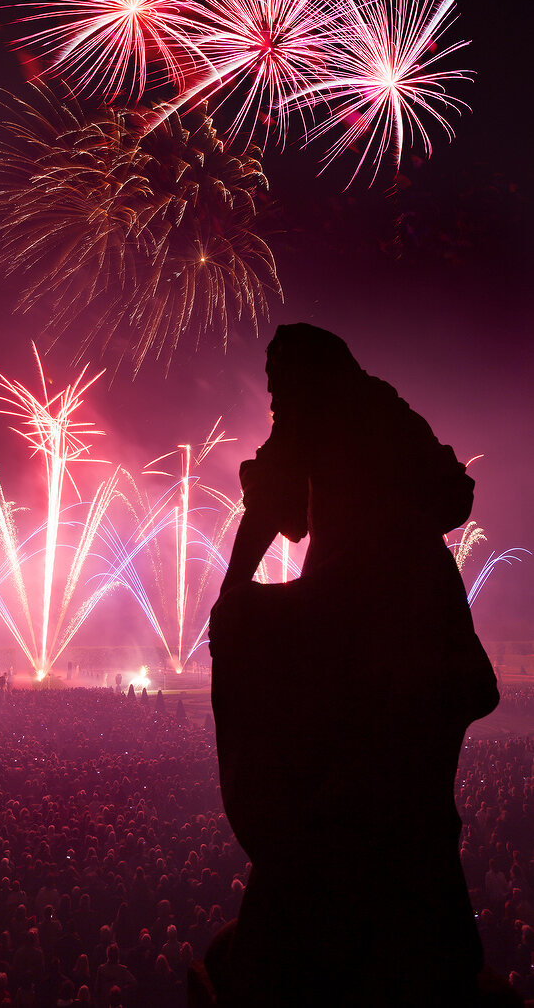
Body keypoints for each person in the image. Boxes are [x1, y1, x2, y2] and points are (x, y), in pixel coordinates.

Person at [209, 324, 499, 1007]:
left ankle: (311, 930)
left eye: (277, 382)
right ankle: (426, 940)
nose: (274, 396)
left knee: (330, 776)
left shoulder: (315, 408)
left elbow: (270, 506)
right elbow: (453, 496)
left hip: (354, 607)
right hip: (426, 610)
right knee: (415, 798)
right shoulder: (383, 406)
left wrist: (231, 595)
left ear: (302, 374)